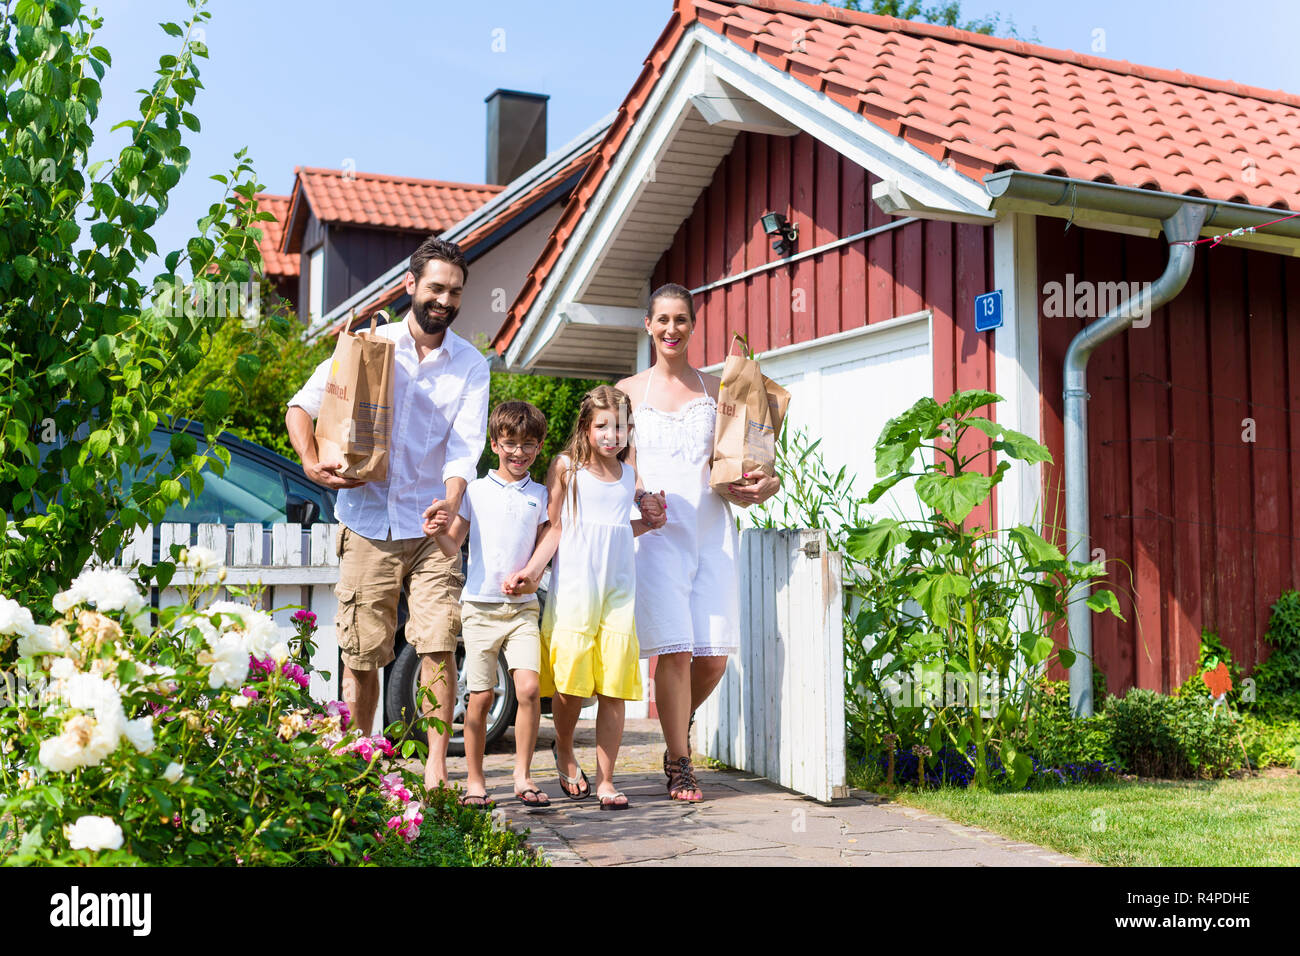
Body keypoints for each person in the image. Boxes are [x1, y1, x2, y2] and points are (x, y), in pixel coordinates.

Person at [286, 235, 489, 793]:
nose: (444, 300)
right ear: (410, 286)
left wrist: (449, 503)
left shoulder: (471, 366)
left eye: (454, 291)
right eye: (436, 287)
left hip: (431, 528)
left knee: (439, 644)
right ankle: (359, 764)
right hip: (368, 521)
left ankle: (434, 768)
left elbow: (464, 450)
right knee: (362, 654)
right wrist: (309, 461)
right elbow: (301, 407)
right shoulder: (368, 346)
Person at [616, 283, 781, 802]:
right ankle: (680, 764)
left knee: (713, 659)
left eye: (681, 320)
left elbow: (757, 465)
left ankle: (672, 732)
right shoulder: (627, 392)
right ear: (648, 324)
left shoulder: (720, 391)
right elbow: (610, 465)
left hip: (712, 535)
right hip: (658, 537)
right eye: (662, 319)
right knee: (676, 651)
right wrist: (638, 498)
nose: (671, 329)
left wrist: (765, 484)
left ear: (692, 324)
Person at [505, 386, 665, 810]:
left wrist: (648, 524)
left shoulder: (631, 477)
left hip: (618, 592)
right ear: (586, 427)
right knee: (571, 685)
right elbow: (556, 527)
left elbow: (616, 530)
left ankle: (607, 780)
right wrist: (532, 570)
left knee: (613, 687)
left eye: (620, 426)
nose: (612, 435)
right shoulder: (566, 468)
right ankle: (564, 747)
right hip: (576, 590)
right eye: (602, 426)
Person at [423, 401, 552, 810]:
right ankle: (475, 780)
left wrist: (530, 575)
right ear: (495, 443)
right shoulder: (476, 491)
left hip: (523, 609)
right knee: (478, 699)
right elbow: (452, 546)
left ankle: (523, 775)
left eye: (529, 444)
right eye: (511, 443)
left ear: (539, 445)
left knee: (528, 689)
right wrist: (435, 533)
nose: (519, 452)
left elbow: (546, 548)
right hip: (480, 608)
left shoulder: (541, 495)